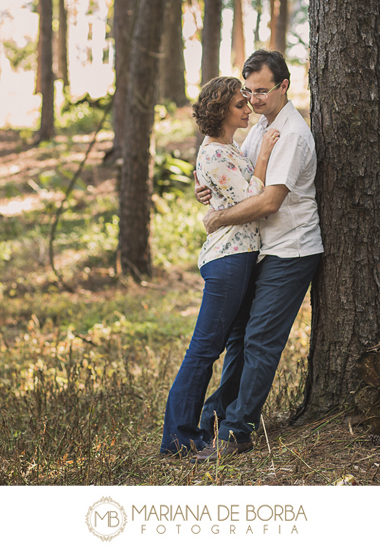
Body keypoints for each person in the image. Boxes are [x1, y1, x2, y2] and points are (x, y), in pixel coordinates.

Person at [190, 49, 323, 463]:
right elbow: (243, 178)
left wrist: (217, 218)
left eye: (262, 91)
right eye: (247, 92)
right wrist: (208, 186)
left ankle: (237, 432)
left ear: (284, 86)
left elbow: (268, 202)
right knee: (238, 339)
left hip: (291, 249)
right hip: (260, 249)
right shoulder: (260, 126)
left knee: (260, 341)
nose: (253, 100)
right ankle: (216, 417)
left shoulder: (293, 134)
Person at [159, 76, 280, 456]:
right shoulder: (214, 152)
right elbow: (251, 199)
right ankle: (178, 438)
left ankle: (214, 418)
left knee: (233, 343)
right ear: (220, 111)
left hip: (240, 258)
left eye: (248, 103)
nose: (247, 109)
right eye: (239, 106)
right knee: (204, 349)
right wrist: (263, 158)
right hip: (227, 260)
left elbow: (226, 193)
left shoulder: (227, 149)